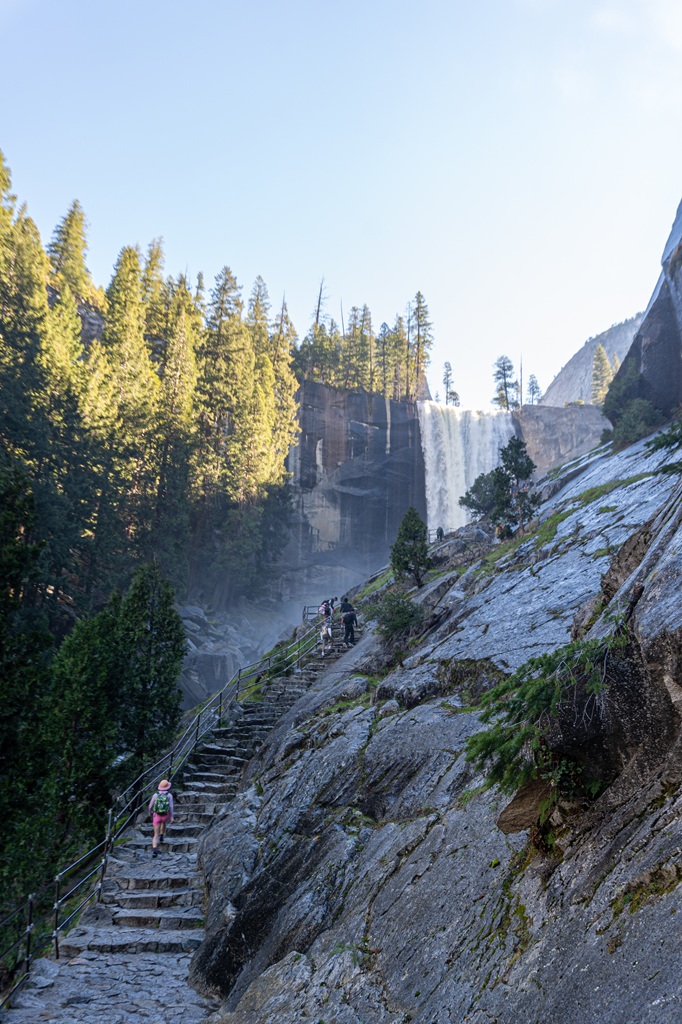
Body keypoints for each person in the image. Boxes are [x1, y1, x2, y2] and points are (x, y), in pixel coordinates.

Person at [149, 779, 174, 857]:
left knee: (155, 834)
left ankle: (154, 850)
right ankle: (162, 835)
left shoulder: (155, 795)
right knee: (163, 822)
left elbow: (150, 806)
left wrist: (150, 813)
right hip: (165, 815)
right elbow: (171, 806)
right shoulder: (169, 795)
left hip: (157, 816)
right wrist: (172, 817)